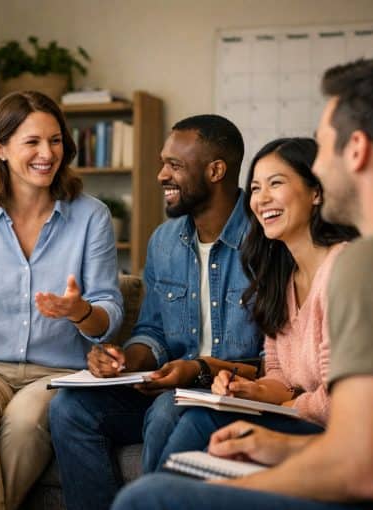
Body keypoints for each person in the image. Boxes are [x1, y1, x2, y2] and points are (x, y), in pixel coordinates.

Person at [111, 55, 373, 510]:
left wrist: (216, 494)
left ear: (356, 149)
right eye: (256, 188)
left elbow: (364, 465)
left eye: (322, 148)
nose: (317, 163)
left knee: (149, 498)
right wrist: (277, 436)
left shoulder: (371, 262)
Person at [49, 114, 264, 510]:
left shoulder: (264, 242)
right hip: (173, 385)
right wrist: (124, 359)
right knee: (69, 408)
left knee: (168, 409)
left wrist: (197, 370)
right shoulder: (164, 241)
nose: (162, 175)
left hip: (232, 394)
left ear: (216, 170)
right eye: (163, 163)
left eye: (175, 165)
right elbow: (153, 332)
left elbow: (273, 361)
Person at [0, 90, 123, 510]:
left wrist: (81, 311)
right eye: (32, 142)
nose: (47, 153)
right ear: (0, 147)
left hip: (54, 373)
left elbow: (109, 315)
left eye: (55, 141)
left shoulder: (91, 217)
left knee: (27, 421)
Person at [151, 137, 358, 468]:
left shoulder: (343, 268)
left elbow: (341, 398)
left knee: (199, 423)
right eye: (256, 188)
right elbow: (278, 372)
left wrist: (289, 406)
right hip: (302, 420)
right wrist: (250, 391)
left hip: (337, 435)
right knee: (198, 413)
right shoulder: (282, 277)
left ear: (316, 192)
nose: (262, 199)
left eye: (276, 183)